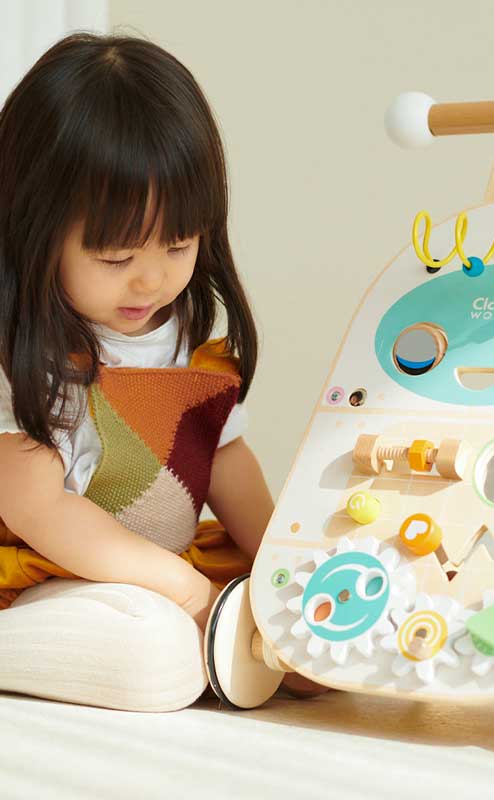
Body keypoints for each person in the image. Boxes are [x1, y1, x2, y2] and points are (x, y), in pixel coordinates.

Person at [0, 32, 320, 710]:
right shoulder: (22, 355)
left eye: (178, 245)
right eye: (116, 258)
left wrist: (286, 578)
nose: (151, 280)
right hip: (44, 576)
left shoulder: (187, 340)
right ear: (32, 231)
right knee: (155, 648)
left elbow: (225, 460)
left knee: (292, 614)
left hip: (166, 566)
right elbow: (38, 508)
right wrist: (184, 592)